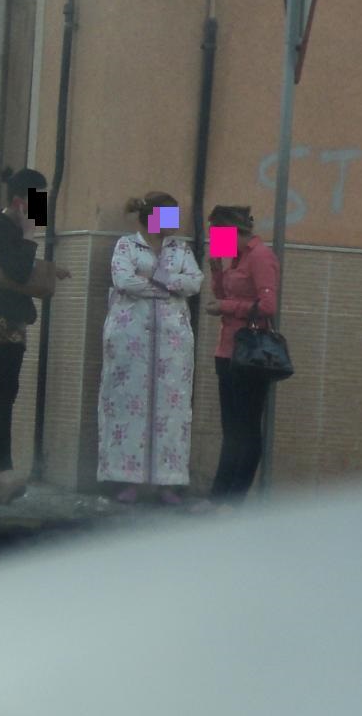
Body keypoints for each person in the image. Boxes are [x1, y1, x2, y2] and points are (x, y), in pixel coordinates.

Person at [97, 192, 204, 505]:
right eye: (169, 216)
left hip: (173, 346)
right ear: (151, 217)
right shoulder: (127, 246)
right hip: (130, 342)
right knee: (126, 406)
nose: (175, 223)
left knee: (171, 411)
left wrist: (157, 279)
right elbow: (123, 281)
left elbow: (195, 282)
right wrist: (169, 288)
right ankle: (125, 479)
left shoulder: (181, 249)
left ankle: (167, 481)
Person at [0, 168, 69, 504]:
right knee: (3, 393)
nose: (42, 208)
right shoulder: (1, 228)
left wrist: (45, 263)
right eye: (38, 200)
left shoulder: (7, 229)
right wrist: (28, 235)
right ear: (18, 201)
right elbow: (16, 270)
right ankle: (1, 472)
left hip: (8, 315)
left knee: (2, 392)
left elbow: (18, 266)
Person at [192, 204, 280, 514]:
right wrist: (216, 269)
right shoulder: (235, 258)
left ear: (231, 231)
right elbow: (222, 294)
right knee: (230, 430)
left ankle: (235, 500)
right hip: (227, 350)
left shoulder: (260, 257)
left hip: (251, 353)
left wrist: (227, 308)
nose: (215, 239)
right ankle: (218, 497)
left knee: (247, 428)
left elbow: (267, 305)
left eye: (217, 233)